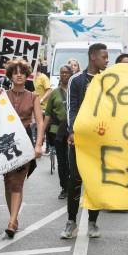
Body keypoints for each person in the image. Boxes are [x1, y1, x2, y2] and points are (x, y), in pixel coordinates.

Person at [0, 61, 43, 238]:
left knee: (17, 182)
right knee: (8, 181)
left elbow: (40, 122)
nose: (18, 75)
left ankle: (12, 221)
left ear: (26, 75)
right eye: (15, 73)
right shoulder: (2, 94)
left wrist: (38, 145)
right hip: (5, 140)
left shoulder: (33, 96)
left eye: (22, 72)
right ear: (10, 76)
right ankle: (13, 216)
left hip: (24, 140)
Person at [61, 43, 108, 240]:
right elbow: (72, 107)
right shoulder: (76, 80)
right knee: (75, 179)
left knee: (94, 180)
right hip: (80, 139)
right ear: (93, 57)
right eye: (104, 57)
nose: (107, 61)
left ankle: (92, 222)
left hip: (100, 140)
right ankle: (71, 221)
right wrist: (72, 131)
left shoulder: (107, 80)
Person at [44, 65, 72, 200]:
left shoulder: (75, 91)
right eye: (62, 73)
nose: (64, 75)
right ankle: (64, 187)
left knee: (72, 161)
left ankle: (74, 186)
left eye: (67, 72)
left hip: (74, 131)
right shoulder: (54, 93)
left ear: (71, 74)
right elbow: (48, 114)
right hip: (58, 131)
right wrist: (42, 133)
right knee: (62, 161)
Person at [34, 64, 52, 154]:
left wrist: (41, 99)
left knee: (45, 128)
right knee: (36, 128)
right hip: (35, 107)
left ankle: (48, 147)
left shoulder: (43, 77)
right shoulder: (31, 78)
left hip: (44, 107)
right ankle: (37, 146)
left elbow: (49, 90)